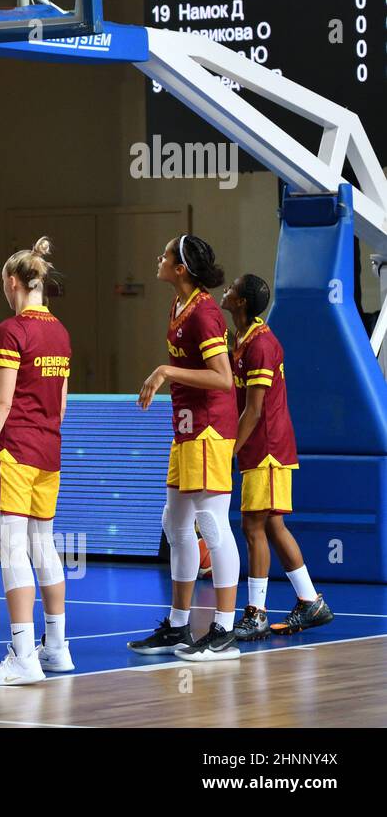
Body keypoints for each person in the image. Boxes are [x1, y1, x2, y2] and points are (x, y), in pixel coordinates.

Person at [0, 238, 73, 685]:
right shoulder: (61, 332)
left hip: (14, 453)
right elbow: (62, 406)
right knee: (43, 546)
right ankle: (58, 647)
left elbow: (1, 402)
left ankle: (24, 654)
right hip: (49, 451)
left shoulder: (12, 330)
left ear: (13, 282)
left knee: (11, 551)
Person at [128, 234, 241, 662]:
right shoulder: (179, 306)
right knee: (175, 522)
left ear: (180, 269)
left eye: (165, 254)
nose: (158, 257)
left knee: (212, 525)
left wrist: (163, 370)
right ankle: (178, 625)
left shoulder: (205, 314)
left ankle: (225, 629)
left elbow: (222, 378)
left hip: (211, 429)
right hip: (186, 429)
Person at [222, 274, 334, 640]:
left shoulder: (262, 345)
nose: (226, 290)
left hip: (267, 447)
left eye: (232, 289)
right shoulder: (237, 339)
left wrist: (228, 451)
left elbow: (254, 411)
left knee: (253, 526)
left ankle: (256, 613)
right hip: (260, 446)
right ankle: (310, 600)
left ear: (240, 302)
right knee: (271, 525)